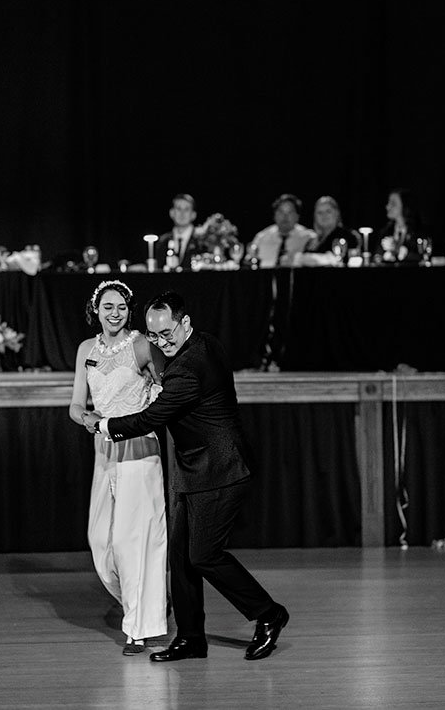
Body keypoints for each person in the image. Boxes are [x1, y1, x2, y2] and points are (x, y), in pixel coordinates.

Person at [83, 290, 289, 663]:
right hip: (191, 467)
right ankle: (191, 637)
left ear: (185, 323)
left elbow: (149, 419)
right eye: (155, 336)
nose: (162, 343)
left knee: (204, 555)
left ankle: (269, 614)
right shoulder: (204, 343)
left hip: (221, 469)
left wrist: (104, 424)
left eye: (167, 334)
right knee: (179, 557)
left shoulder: (188, 368)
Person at [69, 280, 168, 656]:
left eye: (121, 307)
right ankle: (145, 602)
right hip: (104, 447)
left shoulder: (142, 345)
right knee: (100, 541)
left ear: (129, 310)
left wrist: (148, 410)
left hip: (139, 447)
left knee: (132, 540)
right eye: (108, 307)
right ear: (96, 309)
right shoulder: (86, 349)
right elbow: (76, 404)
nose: (115, 313)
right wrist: (89, 420)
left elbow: (166, 389)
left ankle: (138, 629)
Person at [249, 194, 316, 268]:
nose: (285, 216)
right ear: (274, 215)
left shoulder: (309, 238)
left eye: (290, 212)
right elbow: (249, 262)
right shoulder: (261, 238)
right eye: (281, 212)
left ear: (297, 216)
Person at [376, 188, 422, 263]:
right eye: (389, 202)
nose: (387, 207)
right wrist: (383, 254)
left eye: (393, 204)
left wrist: (399, 249)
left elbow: (423, 256)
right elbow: (377, 256)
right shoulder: (386, 231)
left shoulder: (419, 231)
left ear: (405, 206)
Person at [157, 193, 201, 271]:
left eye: (187, 209)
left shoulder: (202, 240)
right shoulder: (162, 241)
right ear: (171, 213)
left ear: (194, 214)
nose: (182, 213)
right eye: (178, 209)